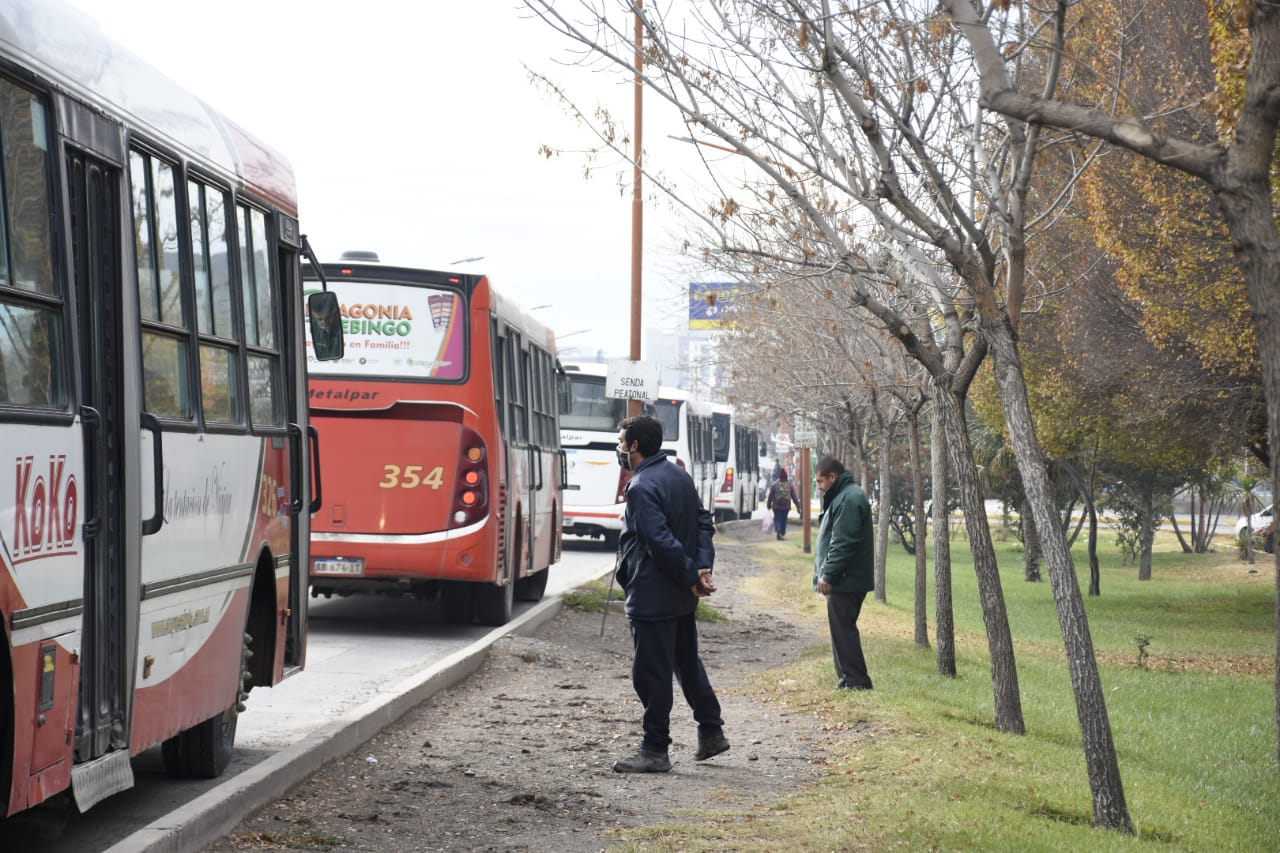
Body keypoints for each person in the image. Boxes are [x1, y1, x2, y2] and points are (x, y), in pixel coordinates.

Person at [611, 414, 729, 773]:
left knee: (651, 673)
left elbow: (658, 541)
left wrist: (693, 573)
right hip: (679, 594)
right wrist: (701, 568)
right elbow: (703, 522)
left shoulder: (641, 486)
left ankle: (655, 749)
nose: (619, 448)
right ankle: (711, 731)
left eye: (622, 442)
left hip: (653, 594)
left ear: (634, 445)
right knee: (686, 664)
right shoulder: (679, 475)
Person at [812, 455, 875, 691]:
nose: (819, 487)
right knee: (840, 630)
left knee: (844, 630)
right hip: (846, 578)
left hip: (847, 579)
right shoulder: (844, 496)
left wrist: (828, 574)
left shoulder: (849, 499)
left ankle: (857, 681)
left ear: (832, 477)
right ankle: (847, 678)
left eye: (820, 482)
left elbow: (843, 542)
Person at [765, 468, 801, 540]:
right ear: (786, 476)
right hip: (786, 507)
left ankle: (778, 529)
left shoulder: (774, 485)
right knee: (784, 520)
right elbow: (794, 497)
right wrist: (798, 506)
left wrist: (768, 505)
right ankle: (782, 532)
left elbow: (770, 496)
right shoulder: (790, 486)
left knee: (777, 519)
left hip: (777, 507)